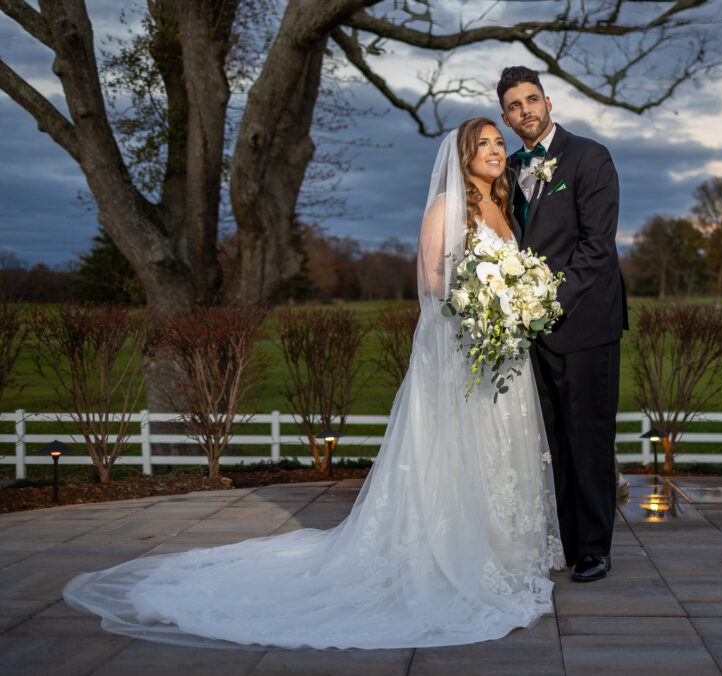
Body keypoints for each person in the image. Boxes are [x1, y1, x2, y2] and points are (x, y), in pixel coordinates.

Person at [62, 118, 564, 650]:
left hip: (503, 356)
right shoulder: (446, 206)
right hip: (462, 350)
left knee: (499, 447)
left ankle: (503, 548)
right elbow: (430, 280)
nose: (494, 150)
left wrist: (517, 302)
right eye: (483, 143)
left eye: (498, 142)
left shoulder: (503, 208)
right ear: (463, 155)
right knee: (458, 450)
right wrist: (481, 302)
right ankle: (456, 554)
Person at [498, 66, 628, 583]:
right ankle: (567, 544)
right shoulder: (507, 168)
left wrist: (545, 303)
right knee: (550, 442)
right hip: (530, 334)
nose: (525, 110)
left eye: (532, 99)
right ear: (506, 118)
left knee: (589, 438)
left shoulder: (590, 157)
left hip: (585, 322)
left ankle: (595, 548)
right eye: (514, 105)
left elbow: (597, 247)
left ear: (548, 103)